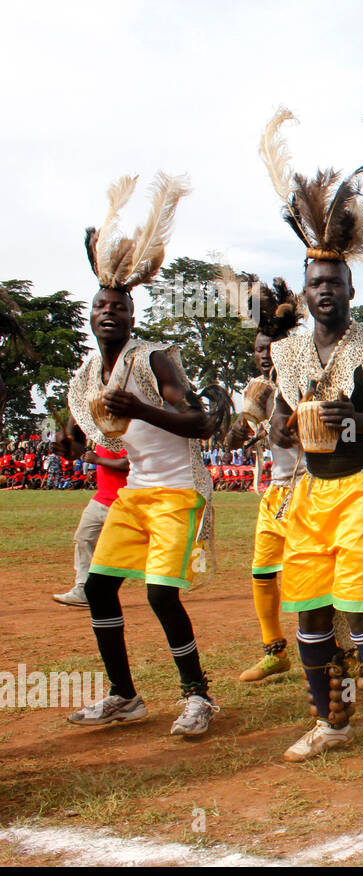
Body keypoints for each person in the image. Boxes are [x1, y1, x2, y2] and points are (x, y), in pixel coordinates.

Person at [261, 104, 363, 772]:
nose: (324, 291)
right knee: (307, 614)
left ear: (351, 286)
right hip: (310, 491)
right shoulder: (290, 355)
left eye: (334, 282)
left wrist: (355, 421)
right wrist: (278, 426)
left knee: (359, 611)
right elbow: (278, 421)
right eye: (314, 283)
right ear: (304, 292)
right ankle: (330, 721)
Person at [60, 172, 227, 737]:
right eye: (100, 305)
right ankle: (123, 695)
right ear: (92, 315)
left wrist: (143, 407)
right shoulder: (87, 375)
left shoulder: (156, 359)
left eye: (119, 307)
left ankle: (198, 695)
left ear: (132, 316)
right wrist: (73, 439)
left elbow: (202, 421)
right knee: (101, 587)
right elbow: (101, 438)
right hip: (135, 494)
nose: (109, 312)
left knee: (160, 593)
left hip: (179, 488)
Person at [220, 273, 306, 682]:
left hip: (312, 491)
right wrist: (239, 434)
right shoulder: (258, 388)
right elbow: (245, 432)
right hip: (276, 494)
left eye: (271, 349)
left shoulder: (308, 382)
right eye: (258, 350)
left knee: (312, 578)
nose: (264, 356)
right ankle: (274, 650)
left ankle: (341, 651)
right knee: (261, 573)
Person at [52, 445, 129, 607]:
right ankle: (83, 589)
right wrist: (98, 471)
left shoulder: (122, 434)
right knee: (83, 538)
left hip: (124, 501)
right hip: (101, 498)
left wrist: (97, 460)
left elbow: (128, 464)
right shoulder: (101, 437)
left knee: (117, 550)